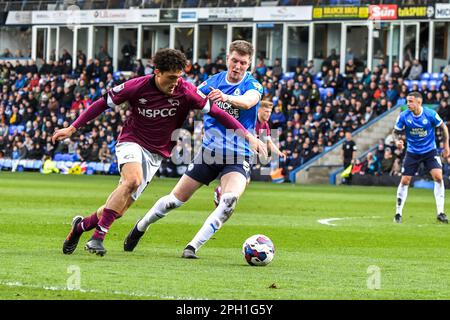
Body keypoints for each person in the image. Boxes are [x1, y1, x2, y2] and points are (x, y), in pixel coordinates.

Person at [53, 48, 266, 256]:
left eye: (179, 77)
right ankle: (98, 238)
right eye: (171, 78)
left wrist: (248, 136)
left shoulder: (186, 90)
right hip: (132, 141)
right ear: (157, 72)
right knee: (132, 181)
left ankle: (80, 228)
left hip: (156, 153)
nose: (176, 83)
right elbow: (102, 104)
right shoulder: (137, 86)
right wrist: (72, 128)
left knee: (119, 210)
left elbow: (219, 113)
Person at [123, 40, 265, 259]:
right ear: (227, 59)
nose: (238, 66)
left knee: (229, 202)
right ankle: (141, 226)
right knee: (174, 201)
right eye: (235, 61)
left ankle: (192, 247)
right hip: (209, 153)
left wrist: (225, 97)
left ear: (249, 64)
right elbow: (186, 98)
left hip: (239, 154)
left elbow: (248, 102)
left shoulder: (253, 85)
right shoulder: (211, 82)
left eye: (243, 63)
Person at [393, 92, 450, 223]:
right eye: (407, 101)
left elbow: (443, 127)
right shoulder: (403, 116)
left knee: (438, 177)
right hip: (412, 152)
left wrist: (446, 146)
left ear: (419, 102)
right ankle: (398, 213)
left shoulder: (430, 114)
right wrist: (397, 141)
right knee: (405, 180)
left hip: (430, 151)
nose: (408, 104)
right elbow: (395, 132)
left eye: (411, 101)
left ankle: (440, 212)